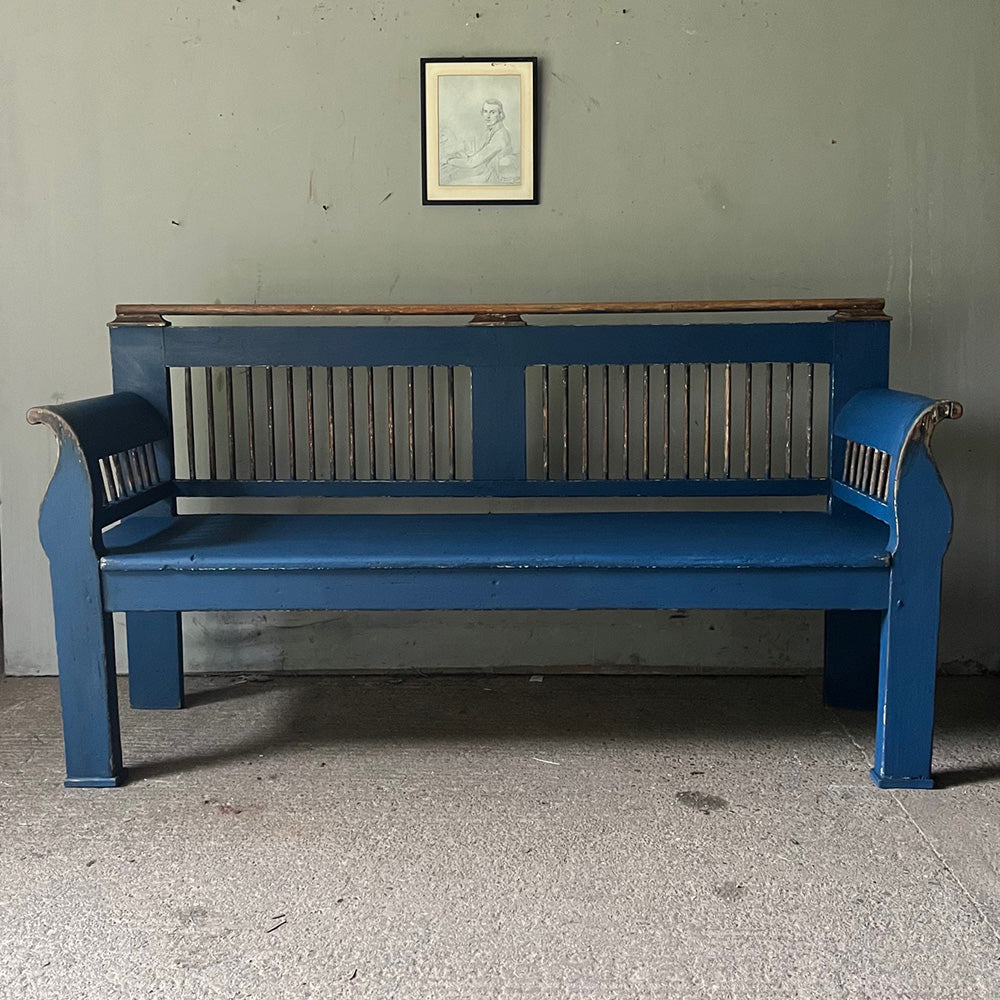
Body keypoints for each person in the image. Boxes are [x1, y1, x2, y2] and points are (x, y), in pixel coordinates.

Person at [440, 98, 519, 185]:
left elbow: (472, 163)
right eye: (485, 111)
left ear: (500, 114)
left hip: (491, 178)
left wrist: (447, 160)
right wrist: (460, 149)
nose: (488, 116)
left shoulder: (500, 137)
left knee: (451, 183)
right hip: (482, 171)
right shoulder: (490, 131)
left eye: (492, 112)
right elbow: (476, 150)